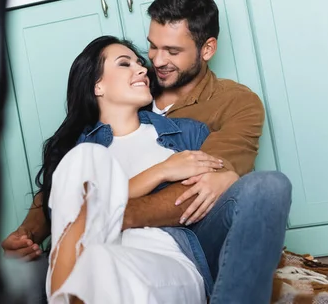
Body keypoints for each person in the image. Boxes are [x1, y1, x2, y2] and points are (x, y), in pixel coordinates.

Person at [2, 0, 292, 303]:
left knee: (268, 186)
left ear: (206, 49)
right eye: (151, 48)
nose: (154, 61)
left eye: (172, 51)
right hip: (102, 250)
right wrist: (28, 233)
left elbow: (199, 189)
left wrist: (103, 211)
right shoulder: (89, 138)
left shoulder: (218, 114)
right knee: (86, 177)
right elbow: (59, 189)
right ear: (97, 86)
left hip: (183, 239)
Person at [41, 35, 220, 303]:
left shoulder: (187, 134)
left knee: (100, 265)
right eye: (125, 64)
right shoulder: (77, 153)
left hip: (167, 259)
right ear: (97, 86)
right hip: (97, 256)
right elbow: (66, 216)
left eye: (140, 63)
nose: (142, 69)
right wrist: (161, 171)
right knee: (98, 257)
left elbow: (206, 197)